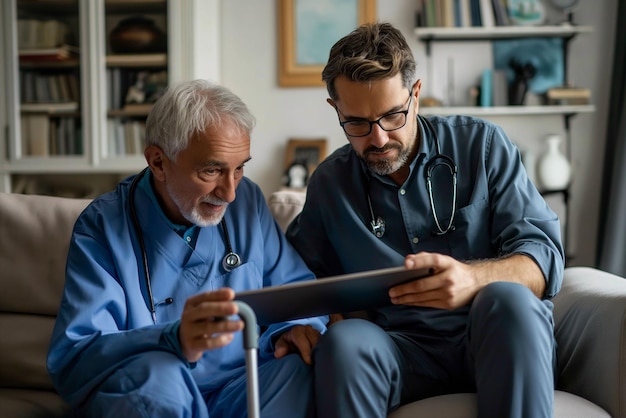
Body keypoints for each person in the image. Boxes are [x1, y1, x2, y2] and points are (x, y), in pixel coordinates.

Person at [286, 22, 564, 418]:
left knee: (511, 300)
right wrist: (300, 322)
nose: (379, 139)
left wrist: (472, 279)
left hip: (492, 339)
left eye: (392, 116)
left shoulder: (482, 146)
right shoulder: (330, 184)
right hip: (399, 351)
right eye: (358, 124)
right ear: (336, 110)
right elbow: (297, 275)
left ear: (415, 95)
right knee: (346, 341)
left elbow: (543, 258)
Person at [47, 79, 327, 418]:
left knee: (301, 368)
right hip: (160, 387)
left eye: (239, 168)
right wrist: (172, 339)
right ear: (158, 163)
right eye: (211, 170)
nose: (229, 193)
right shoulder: (102, 226)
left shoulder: (247, 201)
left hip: (239, 385)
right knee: (157, 382)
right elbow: (78, 355)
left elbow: (295, 289)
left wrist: (299, 326)